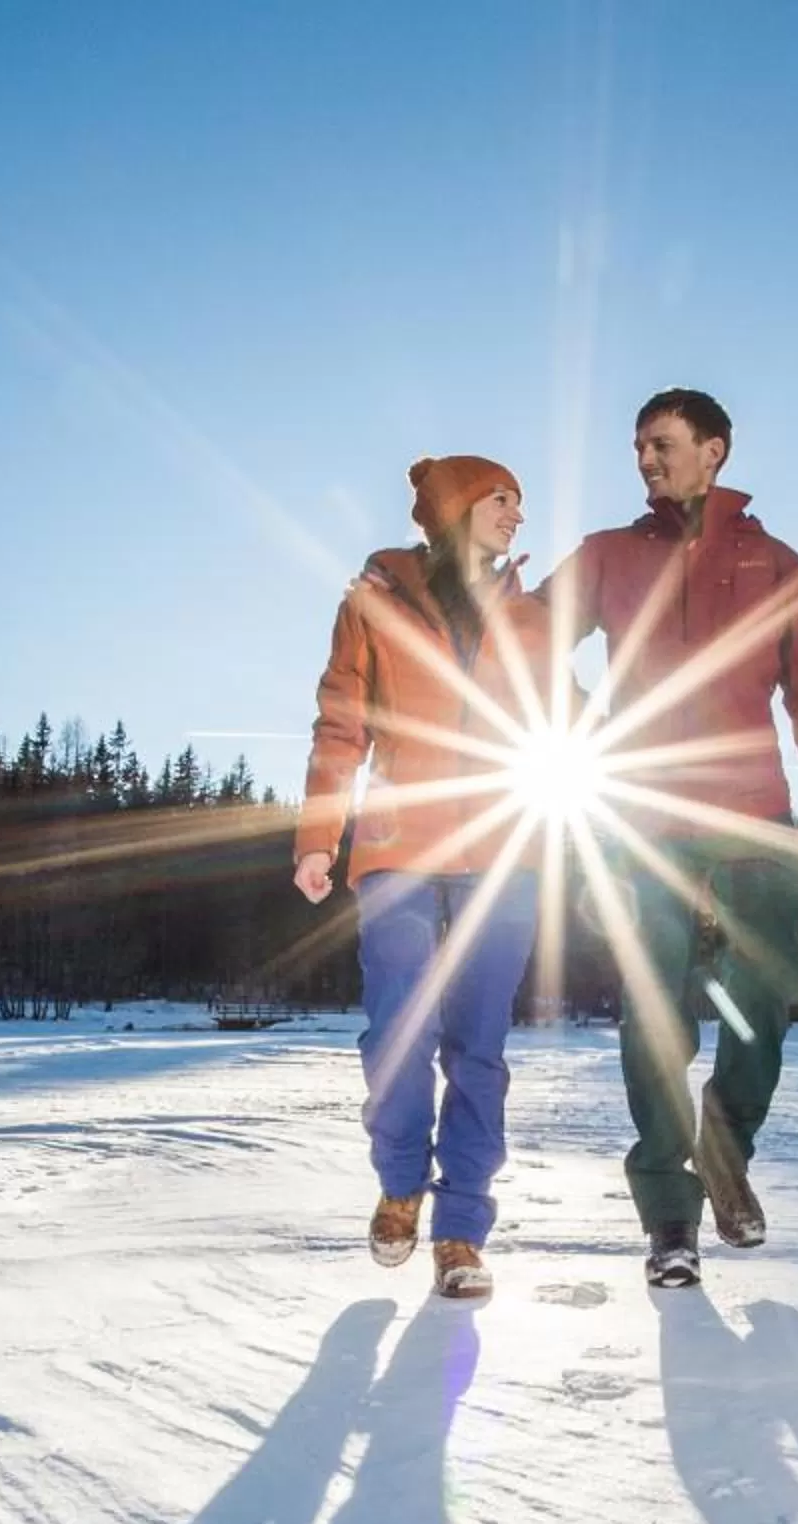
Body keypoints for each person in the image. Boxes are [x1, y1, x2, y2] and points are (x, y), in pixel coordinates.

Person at [537, 388, 798, 1287]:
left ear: (715, 450)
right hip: (640, 826)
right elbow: (523, 638)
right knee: (652, 1020)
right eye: (637, 446)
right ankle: (669, 1214)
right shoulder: (608, 556)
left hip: (752, 818)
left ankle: (726, 1151)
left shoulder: (774, 564)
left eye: (663, 444)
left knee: (764, 1003)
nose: (646, 459)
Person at [294, 454, 545, 1300]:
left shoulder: (528, 612)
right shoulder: (375, 599)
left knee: (480, 1049)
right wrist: (318, 836)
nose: (518, 514)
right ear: (456, 507)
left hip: (504, 852)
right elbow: (341, 723)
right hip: (399, 847)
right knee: (395, 1033)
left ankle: (461, 1231)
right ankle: (401, 1180)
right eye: (502, 499)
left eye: (520, 502)